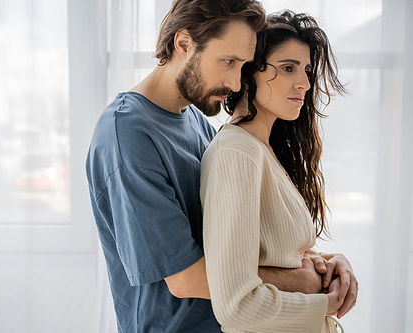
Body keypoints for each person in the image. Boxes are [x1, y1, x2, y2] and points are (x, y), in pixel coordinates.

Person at [86, 0, 356, 331]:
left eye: (243, 66)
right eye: (228, 61)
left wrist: (325, 263)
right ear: (183, 44)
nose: (235, 82)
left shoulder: (196, 122)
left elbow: (238, 243)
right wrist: (308, 280)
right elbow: (187, 279)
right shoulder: (127, 134)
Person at [200, 10, 356, 333]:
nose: (305, 83)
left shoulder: (262, 150)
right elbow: (235, 305)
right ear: (249, 72)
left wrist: (329, 263)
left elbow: (275, 253)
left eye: (307, 70)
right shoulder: (237, 153)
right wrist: (325, 303)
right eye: (288, 68)